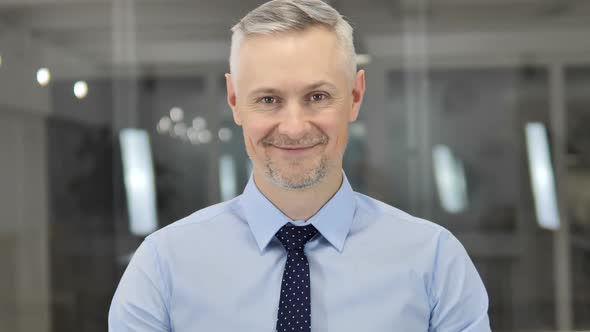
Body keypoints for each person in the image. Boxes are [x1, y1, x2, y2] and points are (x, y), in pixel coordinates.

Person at [108, 0, 491, 331]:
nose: (293, 127)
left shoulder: (436, 263)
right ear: (234, 100)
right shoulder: (162, 269)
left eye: (317, 96)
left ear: (356, 96)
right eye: (269, 100)